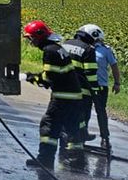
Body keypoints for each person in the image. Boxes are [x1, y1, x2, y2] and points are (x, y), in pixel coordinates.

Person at [23, 20, 84, 168]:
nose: (31, 41)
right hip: (74, 96)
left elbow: (49, 78)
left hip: (63, 97)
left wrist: (34, 78)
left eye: (31, 38)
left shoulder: (49, 51)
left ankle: (45, 159)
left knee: (49, 125)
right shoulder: (57, 48)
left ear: (39, 36)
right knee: (72, 127)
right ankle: (77, 161)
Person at [60, 27, 99, 162]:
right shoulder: (88, 50)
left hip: (61, 89)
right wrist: (96, 91)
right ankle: (76, 148)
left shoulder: (65, 44)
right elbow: (91, 74)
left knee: (64, 118)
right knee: (80, 120)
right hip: (81, 92)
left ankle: (64, 145)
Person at [83, 24, 121, 151]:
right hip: (87, 85)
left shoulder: (106, 50)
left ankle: (105, 138)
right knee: (85, 111)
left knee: (101, 112)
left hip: (100, 86)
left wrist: (117, 83)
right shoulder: (84, 48)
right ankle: (83, 134)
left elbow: (114, 66)